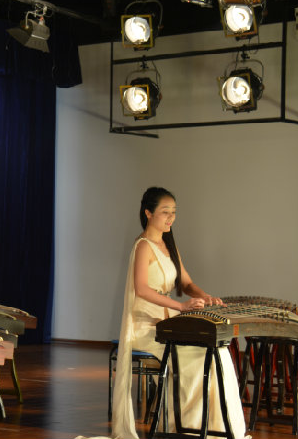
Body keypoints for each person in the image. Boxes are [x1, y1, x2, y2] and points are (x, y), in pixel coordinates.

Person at [112, 187, 248, 439]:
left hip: (167, 325)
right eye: (165, 212)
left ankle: (216, 429)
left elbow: (186, 283)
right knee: (199, 358)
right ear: (148, 213)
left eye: (174, 212)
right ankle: (188, 428)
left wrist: (204, 296)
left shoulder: (167, 244)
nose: (171, 218)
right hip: (146, 329)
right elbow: (141, 289)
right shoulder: (143, 246)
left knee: (217, 353)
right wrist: (182, 306)